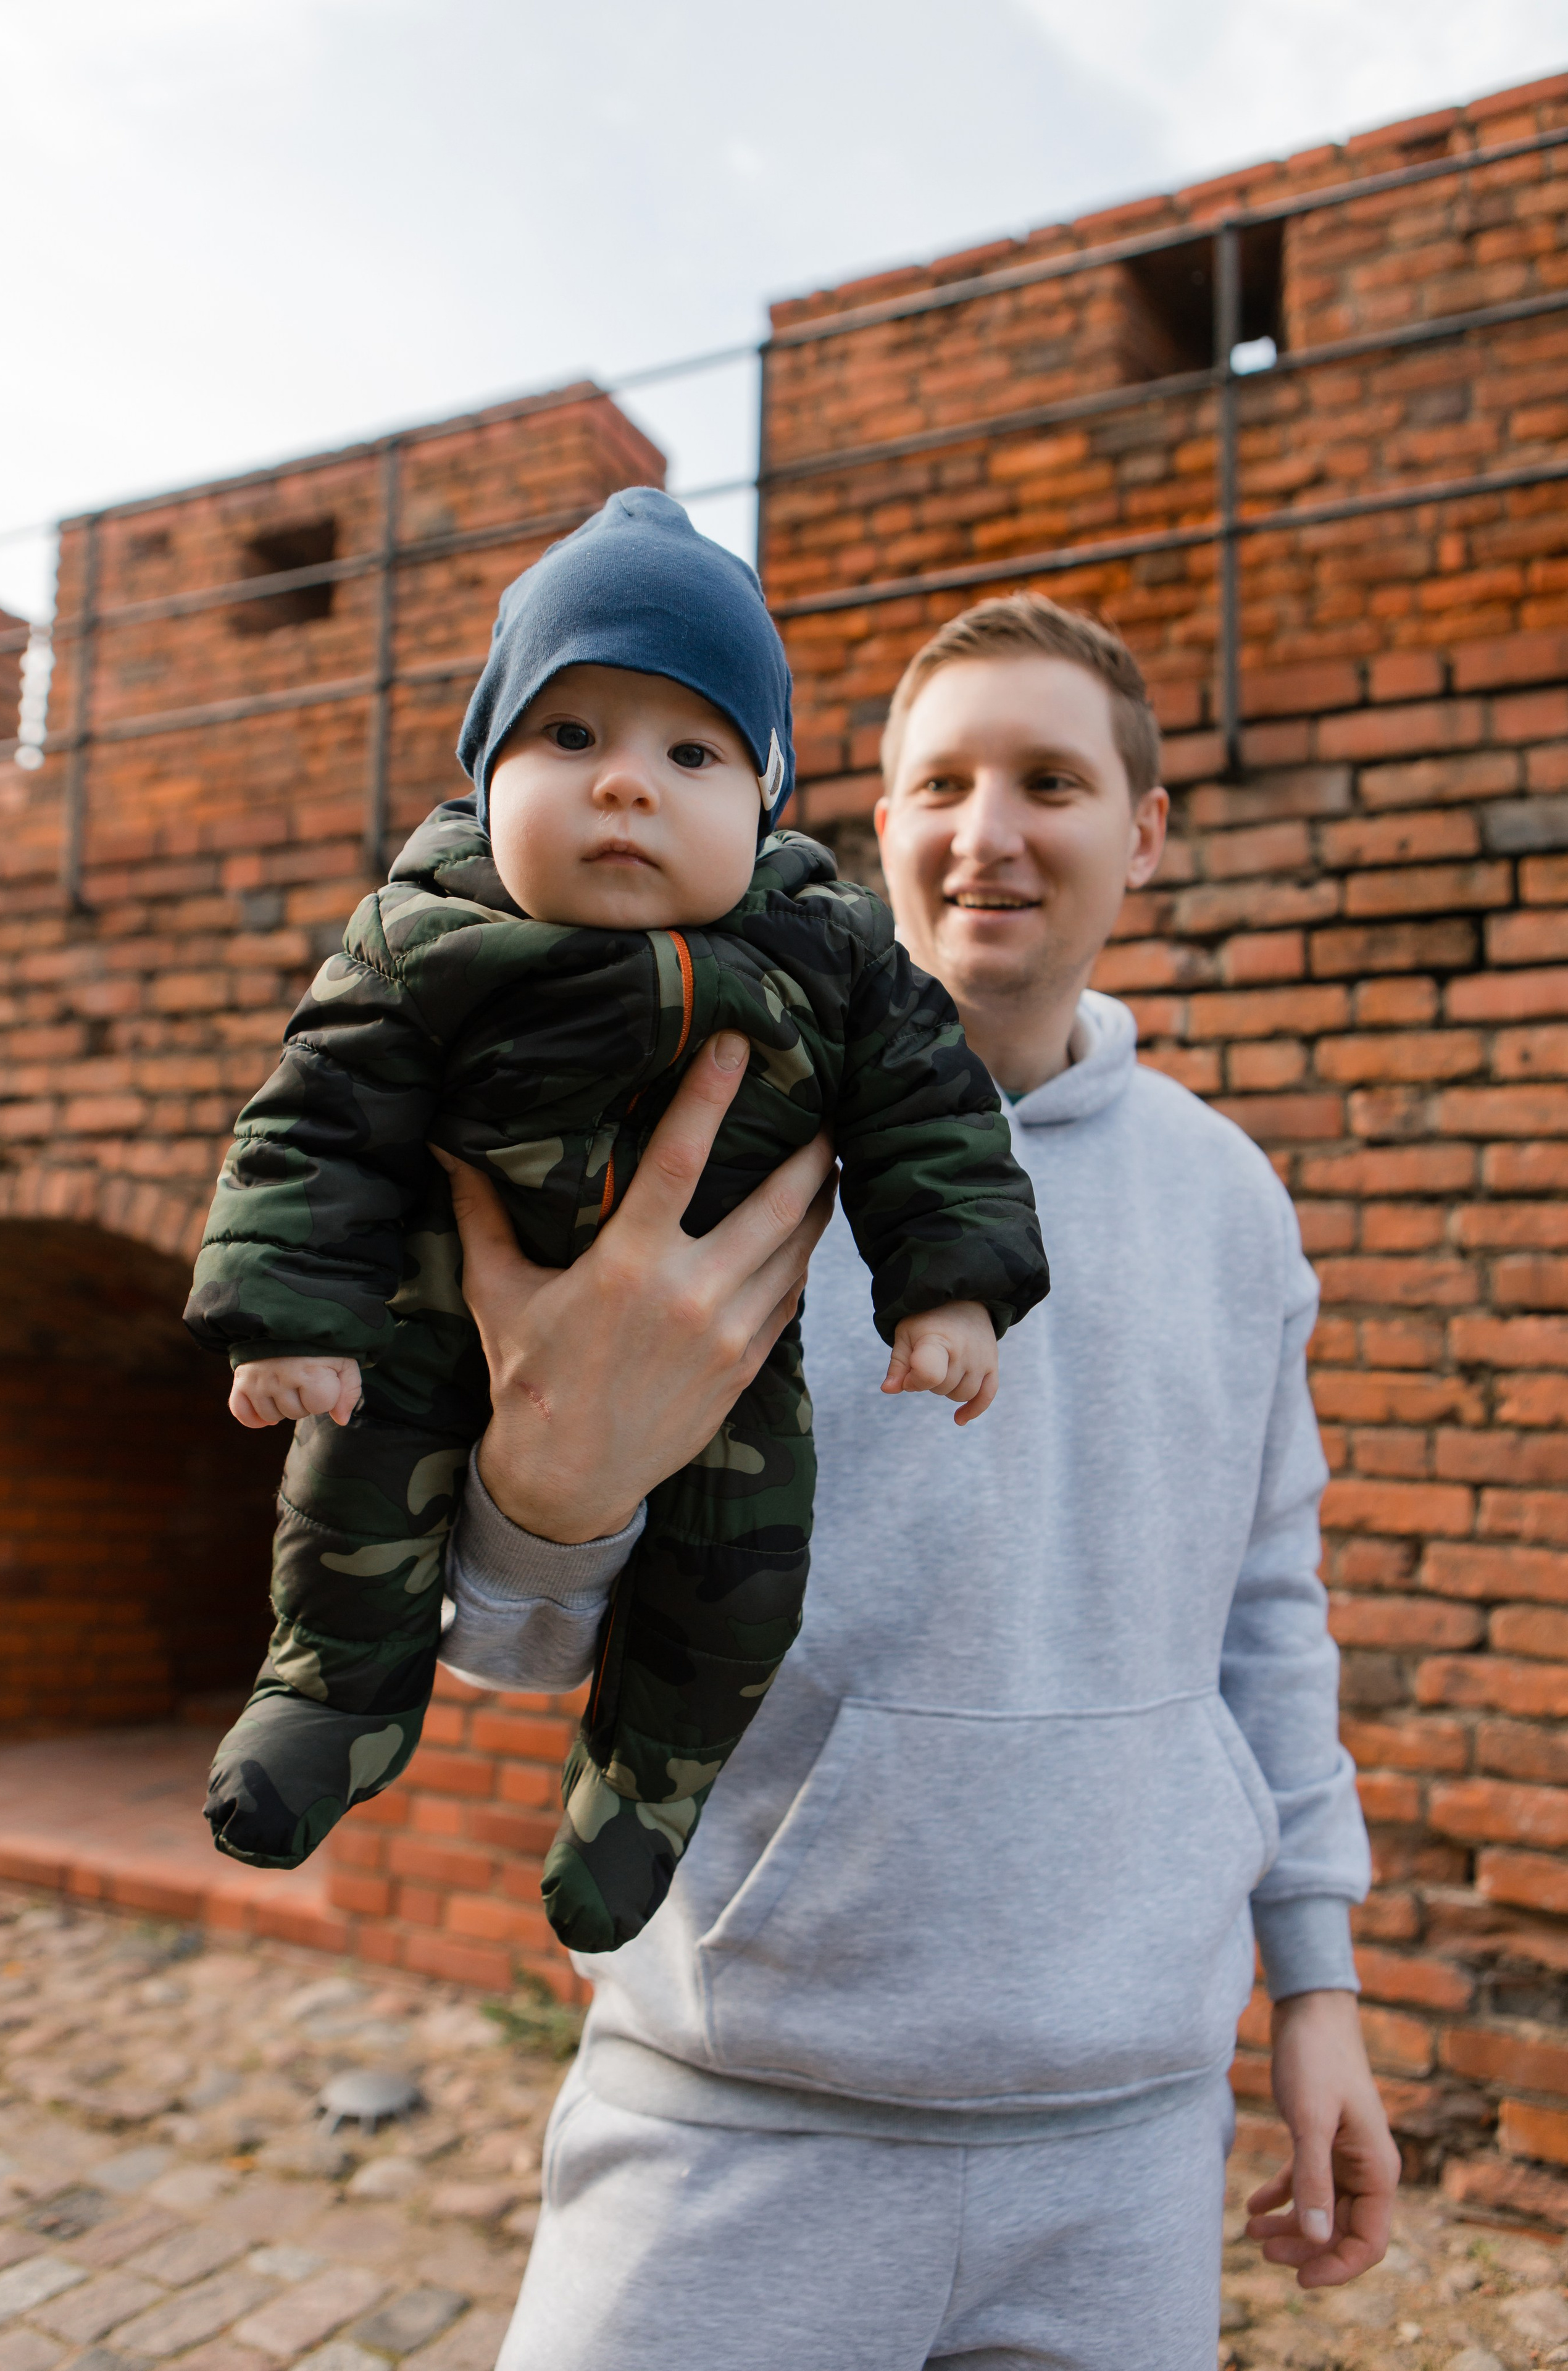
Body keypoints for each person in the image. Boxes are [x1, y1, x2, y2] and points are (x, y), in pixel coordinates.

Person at [438, 591, 1401, 2370]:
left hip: (1124, 2147)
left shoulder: (1229, 1202)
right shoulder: (699, 1158)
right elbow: (510, 1641)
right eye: (940, 783)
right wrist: (547, 1491)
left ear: (1145, 832)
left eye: (1052, 780)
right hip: (732, 2119)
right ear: (873, 828)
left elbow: (1269, 1615)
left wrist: (1317, 1988)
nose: (991, 833)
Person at [181, 490, 1048, 1955]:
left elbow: (932, 1112)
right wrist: (289, 1317)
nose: (624, 785)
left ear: (764, 798)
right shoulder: (422, 936)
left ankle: (647, 1785)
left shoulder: (831, 949)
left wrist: (946, 1290)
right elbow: (314, 1123)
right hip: (430, 1318)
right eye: (568, 737)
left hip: (725, 1373)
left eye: (689, 751)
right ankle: (328, 1694)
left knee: (744, 1570)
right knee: (348, 1489)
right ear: (485, 772)